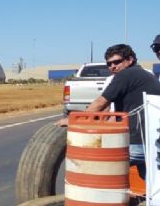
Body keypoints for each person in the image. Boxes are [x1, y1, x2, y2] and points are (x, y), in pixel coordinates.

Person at [57, 44, 160, 179]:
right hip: (152, 140)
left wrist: (72, 120)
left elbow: (100, 103)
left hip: (137, 143)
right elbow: (106, 110)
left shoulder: (126, 75)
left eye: (117, 62)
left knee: (95, 168)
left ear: (130, 60)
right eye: (109, 64)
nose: (113, 67)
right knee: (151, 180)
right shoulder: (143, 75)